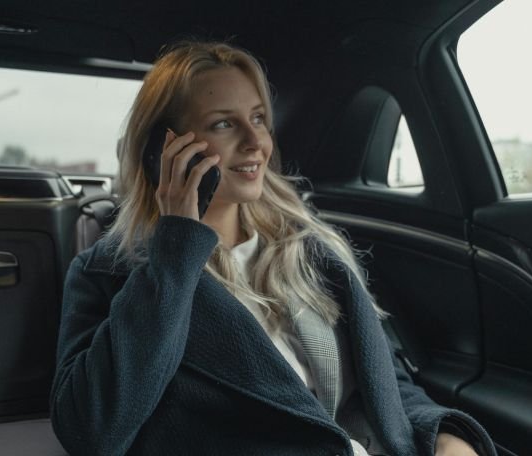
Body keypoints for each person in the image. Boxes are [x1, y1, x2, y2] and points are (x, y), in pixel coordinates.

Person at [50, 40, 496, 456]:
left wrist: (444, 434)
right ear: (162, 150)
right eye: (224, 123)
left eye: (259, 117)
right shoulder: (108, 273)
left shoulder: (312, 251)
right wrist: (175, 251)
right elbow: (92, 431)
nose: (255, 142)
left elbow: (387, 384)